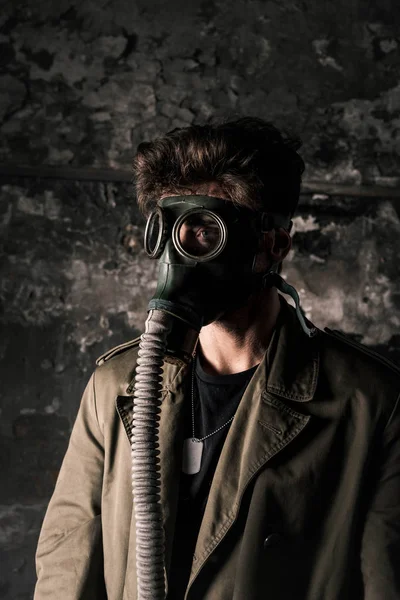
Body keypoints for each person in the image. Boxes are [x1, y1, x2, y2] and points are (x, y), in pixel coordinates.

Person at [34, 117, 400, 600]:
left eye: (203, 231)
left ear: (274, 244)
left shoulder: (369, 400)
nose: (176, 257)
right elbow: (67, 559)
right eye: (165, 230)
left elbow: (385, 582)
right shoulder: (117, 385)